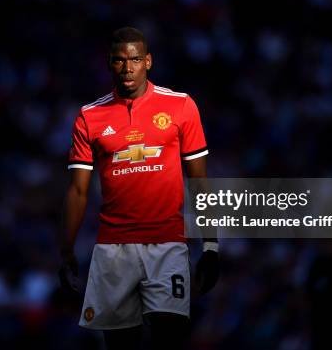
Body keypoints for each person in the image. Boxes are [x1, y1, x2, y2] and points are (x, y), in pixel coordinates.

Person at [59, 26, 219, 349]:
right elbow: (77, 191)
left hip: (168, 245)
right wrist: (66, 250)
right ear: (109, 63)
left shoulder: (181, 107)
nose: (127, 68)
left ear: (148, 61)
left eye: (134, 59)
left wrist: (211, 246)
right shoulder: (89, 117)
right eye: (119, 60)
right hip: (113, 251)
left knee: (170, 337)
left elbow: (199, 180)